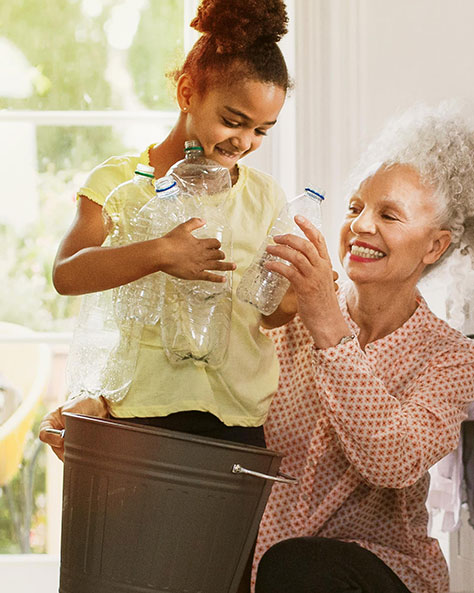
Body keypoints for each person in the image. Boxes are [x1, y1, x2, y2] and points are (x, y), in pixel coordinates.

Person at [39, 0, 292, 460]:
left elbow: (270, 315)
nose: (245, 142)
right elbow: (67, 274)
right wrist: (159, 252)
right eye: (233, 121)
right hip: (136, 414)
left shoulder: (265, 198)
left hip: (237, 423)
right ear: (187, 93)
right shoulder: (118, 182)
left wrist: (293, 295)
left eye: (262, 131)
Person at [253, 104, 474, 593]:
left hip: (380, 573)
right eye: (355, 207)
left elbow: (392, 461)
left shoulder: (452, 359)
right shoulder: (289, 316)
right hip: (267, 569)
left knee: (297, 567)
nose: (361, 226)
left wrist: (329, 326)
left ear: (434, 247)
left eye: (388, 215)